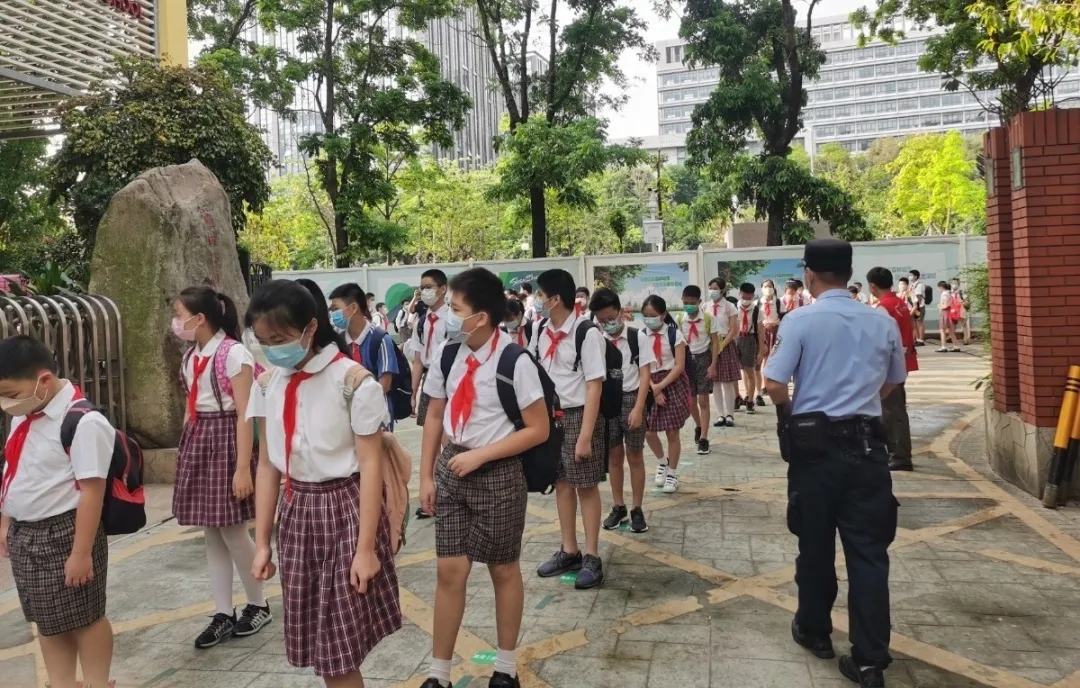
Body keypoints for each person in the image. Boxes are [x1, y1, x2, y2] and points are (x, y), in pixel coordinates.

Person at [763, 239, 906, 688]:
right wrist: (859, 403)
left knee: (815, 544)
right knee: (869, 554)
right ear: (849, 273)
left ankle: (815, 630)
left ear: (809, 273)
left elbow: (773, 384)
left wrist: (795, 414)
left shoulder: (800, 320)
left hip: (815, 453)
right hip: (868, 451)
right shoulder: (881, 320)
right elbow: (893, 382)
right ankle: (870, 659)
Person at [247, 279, 401, 686]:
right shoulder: (267, 384)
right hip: (297, 514)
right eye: (263, 341)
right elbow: (268, 467)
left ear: (311, 327)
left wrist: (365, 550)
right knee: (322, 646)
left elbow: (370, 466)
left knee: (338, 653)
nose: (272, 349)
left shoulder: (353, 382)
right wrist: (262, 542)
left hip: (345, 512)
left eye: (280, 338)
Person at [419, 268, 549, 688]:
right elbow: (434, 415)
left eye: (456, 308)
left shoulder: (514, 360)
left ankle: (505, 667)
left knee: (503, 569)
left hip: (498, 474)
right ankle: (438, 673)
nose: (448, 314)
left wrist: (481, 455)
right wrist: (425, 476)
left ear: (482, 317)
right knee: (449, 571)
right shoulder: (447, 354)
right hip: (452, 470)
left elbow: (539, 429)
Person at [0, 336, 116, 688]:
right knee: (47, 620)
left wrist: (81, 553)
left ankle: (97, 682)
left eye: (11, 393)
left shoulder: (83, 422)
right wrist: (6, 521)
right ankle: (61, 683)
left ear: (44, 380)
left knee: (85, 618)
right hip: (26, 533)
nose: (6, 403)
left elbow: (92, 491)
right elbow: (14, 469)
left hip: (66, 532)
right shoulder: (25, 413)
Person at [172, 286, 270, 649]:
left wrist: (243, 467)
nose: (175, 322)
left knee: (232, 530)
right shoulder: (191, 356)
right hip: (200, 441)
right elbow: (191, 404)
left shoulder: (233, 353)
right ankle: (223, 612)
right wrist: (185, 448)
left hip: (227, 440)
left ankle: (258, 604)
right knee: (211, 531)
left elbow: (245, 413)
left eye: (179, 315)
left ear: (200, 318)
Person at [531, 269, 607, 589]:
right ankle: (569, 549)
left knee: (585, 486)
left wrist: (586, 435)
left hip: (579, 416)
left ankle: (592, 555)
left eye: (540, 295)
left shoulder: (586, 333)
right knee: (561, 484)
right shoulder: (539, 329)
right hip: (550, 418)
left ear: (555, 299)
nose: (536, 300)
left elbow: (594, 385)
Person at [592, 289, 653, 533]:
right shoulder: (596, 339)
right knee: (613, 457)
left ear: (620, 311)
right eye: (601, 320)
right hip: (608, 400)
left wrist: (638, 408)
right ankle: (618, 506)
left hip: (632, 398)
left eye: (610, 318)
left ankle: (637, 508)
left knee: (635, 456)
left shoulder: (638, 337)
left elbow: (645, 375)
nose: (607, 324)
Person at [867, 267, 918, 472]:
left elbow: (879, 341)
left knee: (891, 410)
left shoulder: (883, 308)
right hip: (903, 361)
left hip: (889, 365)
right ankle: (898, 453)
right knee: (896, 409)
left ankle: (899, 455)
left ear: (872, 286)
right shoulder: (899, 303)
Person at [641, 295, 693, 494]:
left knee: (672, 432)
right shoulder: (641, 336)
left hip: (672, 382)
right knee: (648, 431)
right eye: (645, 315)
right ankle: (663, 462)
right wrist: (653, 388)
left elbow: (679, 366)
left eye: (653, 315)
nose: (649, 319)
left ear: (663, 315)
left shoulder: (674, 334)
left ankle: (672, 473)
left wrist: (660, 386)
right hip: (649, 382)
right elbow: (641, 366)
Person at [329, 283, 400, 426]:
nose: (333, 315)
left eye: (336, 309)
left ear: (353, 308)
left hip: (375, 417)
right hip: (346, 417)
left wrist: (363, 410)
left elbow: (384, 385)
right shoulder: (338, 341)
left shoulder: (380, 340)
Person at [677, 285, 717, 455]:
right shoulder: (680, 319)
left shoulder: (708, 318)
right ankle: (699, 426)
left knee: (703, 401)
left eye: (692, 303)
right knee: (691, 401)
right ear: (682, 300)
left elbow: (715, 342)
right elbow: (678, 344)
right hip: (687, 361)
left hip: (704, 360)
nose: (689, 306)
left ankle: (704, 438)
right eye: (686, 303)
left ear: (699, 301)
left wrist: (713, 365)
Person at [410, 270, 450, 428]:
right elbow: (418, 362)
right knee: (429, 429)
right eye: (422, 288)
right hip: (429, 380)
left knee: (448, 432)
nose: (424, 292)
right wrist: (413, 393)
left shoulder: (453, 320)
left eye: (428, 287)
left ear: (442, 289)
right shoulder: (421, 323)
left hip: (449, 380)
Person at [707, 278, 741, 428]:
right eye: (710, 288)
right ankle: (720, 414)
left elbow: (733, 330)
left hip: (725, 345)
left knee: (727, 382)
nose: (712, 291)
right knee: (715, 382)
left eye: (715, 288)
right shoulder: (705, 306)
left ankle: (730, 414)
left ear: (722, 290)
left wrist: (722, 345)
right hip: (710, 346)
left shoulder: (729, 307)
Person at [735, 283, 765, 413]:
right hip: (735, 339)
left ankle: (750, 401)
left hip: (749, 339)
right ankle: (737, 397)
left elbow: (761, 331)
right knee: (735, 372)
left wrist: (761, 351)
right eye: (744, 295)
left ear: (753, 296)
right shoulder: (733, 307)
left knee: (750, 371)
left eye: (749, 296)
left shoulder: (757, 310)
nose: (746, 298)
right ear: (739, 293)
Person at [758, 279, 782, 385]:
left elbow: (784, 318)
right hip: (762, 332)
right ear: (761, 289)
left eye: (770, 286)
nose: (768, 289)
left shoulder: (778, 302)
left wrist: (773, 324)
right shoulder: (757, 303)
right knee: (764, 358)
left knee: (775, 358)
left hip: (776, 331)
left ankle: (775, 382)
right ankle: (765, 384)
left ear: (773, 288)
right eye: (765, 286)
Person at [936, 281, 961, 353]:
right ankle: (956, 346)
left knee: (942, 330)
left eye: (939, 288)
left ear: (941, 287)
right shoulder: (950, 293)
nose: (938, 289)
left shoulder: (944, 294)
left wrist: (939, 306)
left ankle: (943, 346)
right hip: (951, 313)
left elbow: (946, 305)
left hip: (945, 313)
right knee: (951, 331)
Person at [908, 269, 927, 346]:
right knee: (914, 324)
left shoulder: (919, 285)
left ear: (916, 276)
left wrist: (916, 307)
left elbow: (918, 296)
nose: (910, 277)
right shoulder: (911, 285)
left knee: (919, 323)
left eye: (911, 275)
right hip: (913, 306)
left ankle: (921, 340)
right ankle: (917, 338)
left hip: (919, 306)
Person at [952, 278, 971, 345]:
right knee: (953, 324)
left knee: (963, 324)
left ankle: (966, 338)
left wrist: (962, 304)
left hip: (961, 310)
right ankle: (951, 337)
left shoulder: (961, 292)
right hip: (953, 310)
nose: (954, 285)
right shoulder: (951, 292)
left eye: (955, 283)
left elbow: (966, 301)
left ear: (958, 284)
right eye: (953, 283)